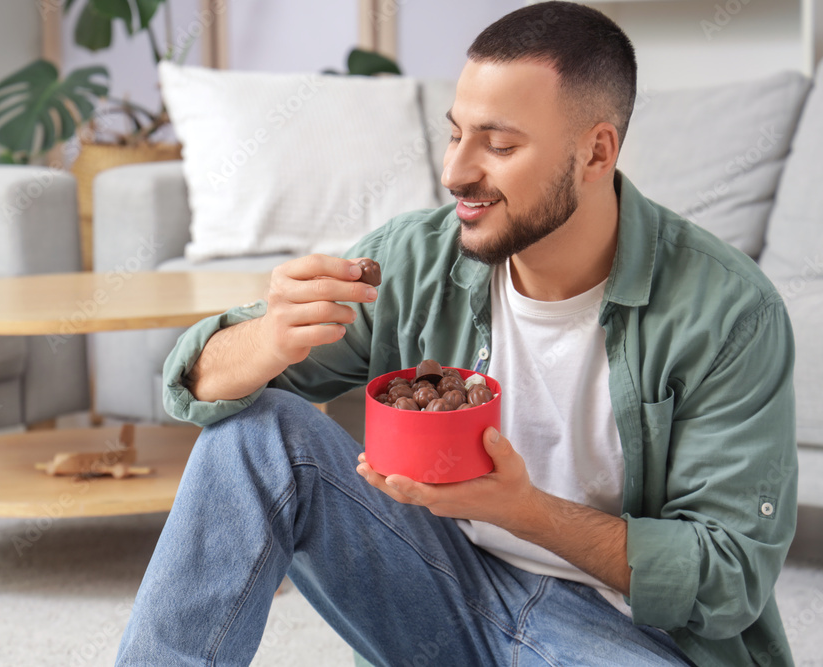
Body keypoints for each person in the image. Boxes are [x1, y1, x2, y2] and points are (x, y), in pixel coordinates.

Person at [115, 2, 798, 665]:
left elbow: (728, 579)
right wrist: (268, 339)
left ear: (597, 153)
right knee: (254, 430)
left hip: (615, 631)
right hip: (435, 587)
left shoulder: (730, 312)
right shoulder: (416, 260)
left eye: (498, 144)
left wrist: (527, 511)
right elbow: (199, 386)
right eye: (455, 133)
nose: (456, 172)